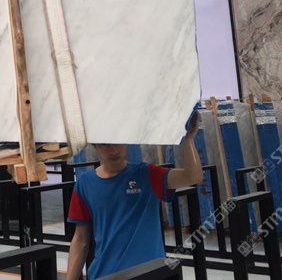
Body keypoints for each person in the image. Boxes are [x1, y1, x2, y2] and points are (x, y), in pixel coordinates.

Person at [66, 112, 203, 280]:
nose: (113, 150)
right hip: (106, 275)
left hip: (148, 274)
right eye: (105, 144)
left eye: (118, 141)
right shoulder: (85, 184)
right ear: (94, 145)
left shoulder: (147, 174)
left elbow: (193, 176)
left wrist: (188, 139)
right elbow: (80, 240)